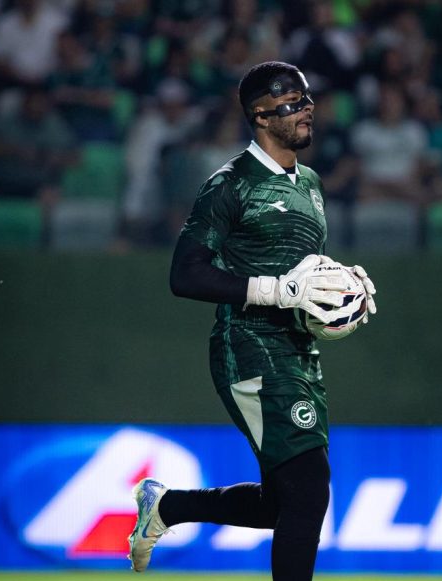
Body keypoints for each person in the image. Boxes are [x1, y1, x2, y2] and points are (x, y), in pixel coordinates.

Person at [127, 61, 376, 580]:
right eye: (293, 102)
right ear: (261, 116)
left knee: (280, 503)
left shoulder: (310, 182)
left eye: (308, 99)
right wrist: (273, 289)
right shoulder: (230, 184)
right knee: (309, 490)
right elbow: (185, 274)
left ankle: (167, 506)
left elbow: (296, 274)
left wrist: (335, 289)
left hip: (298, 352)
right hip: (249, 347)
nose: (308, 109)